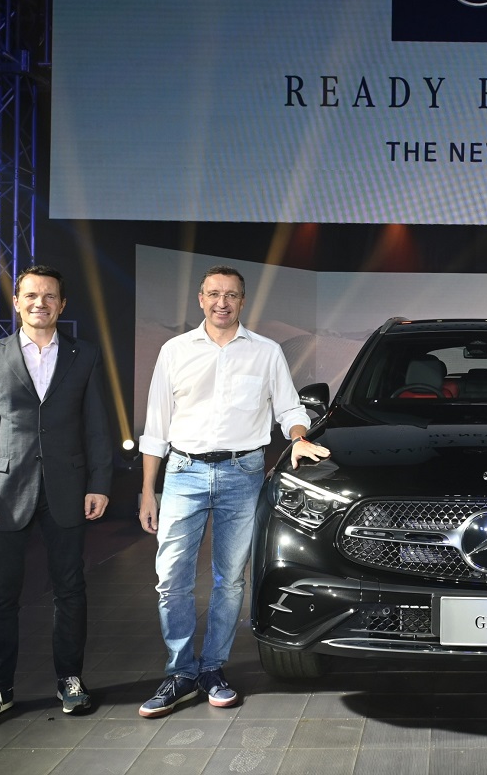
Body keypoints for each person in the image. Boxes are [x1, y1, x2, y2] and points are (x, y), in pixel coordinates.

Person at [137, 265, 330, 717]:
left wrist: (299, 437)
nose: (221, 302)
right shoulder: (174, 351)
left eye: (230, 295)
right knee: (171, 579)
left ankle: (212, 668)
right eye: (213, 294)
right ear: (201, 299)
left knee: (230, 580)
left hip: (243, 474)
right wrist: (148, 490)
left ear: (242, 301)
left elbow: (289, 409)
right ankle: (180, 672)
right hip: (183, 472)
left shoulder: (266, 352)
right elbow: (156, 426)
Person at [0, 264, 113, 730]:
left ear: (62, 305)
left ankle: (70, 679)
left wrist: (99, 483)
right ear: (17, 302)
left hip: (69, 488)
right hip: (5, 493)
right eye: (30, 295)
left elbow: (96, 425)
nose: (39, 303)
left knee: (70, 590)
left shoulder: (85, 355)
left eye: (49, 296)